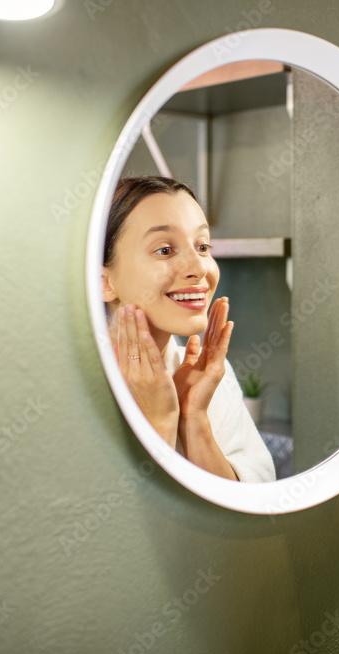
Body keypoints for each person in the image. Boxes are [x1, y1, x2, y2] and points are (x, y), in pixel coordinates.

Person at [101, 175, 275, 483]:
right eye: (165, 250)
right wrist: (159, 423)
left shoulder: (206, 378)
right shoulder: (76, 390)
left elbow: (251, 515)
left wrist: (194, 420)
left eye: (203, 246)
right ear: (104, 281)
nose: (199, 269)